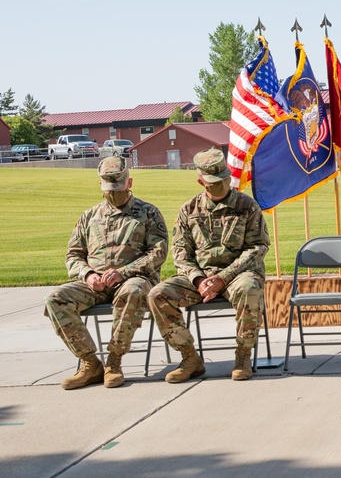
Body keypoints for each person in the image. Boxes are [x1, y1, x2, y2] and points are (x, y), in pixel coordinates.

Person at [44, 156, 168, 390]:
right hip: (95, 284)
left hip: (133, 280)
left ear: (129, 183)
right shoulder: (89, 217)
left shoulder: (148, 212)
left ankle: (114, 361)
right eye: (108, 189)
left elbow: (158, 253)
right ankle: (90, 362)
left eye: (118, 188)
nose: (113, 194)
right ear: (101, 187)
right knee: (55, 299)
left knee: (132, 291)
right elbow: (73, 255)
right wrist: (88, 275)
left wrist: (124, 272)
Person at [148, 148, 269, 382]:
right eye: (213, 182)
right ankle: (190, 357)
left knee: (249, 289)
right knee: (157, 294)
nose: (221, 185)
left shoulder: (247, 206)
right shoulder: (188, 210)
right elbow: (180, 252)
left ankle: (243, 355)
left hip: (237, 275)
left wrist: (223, 277)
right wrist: (198, 279)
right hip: (199, 279)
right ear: (201, 181)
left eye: (224, 179)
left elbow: (258, 247)